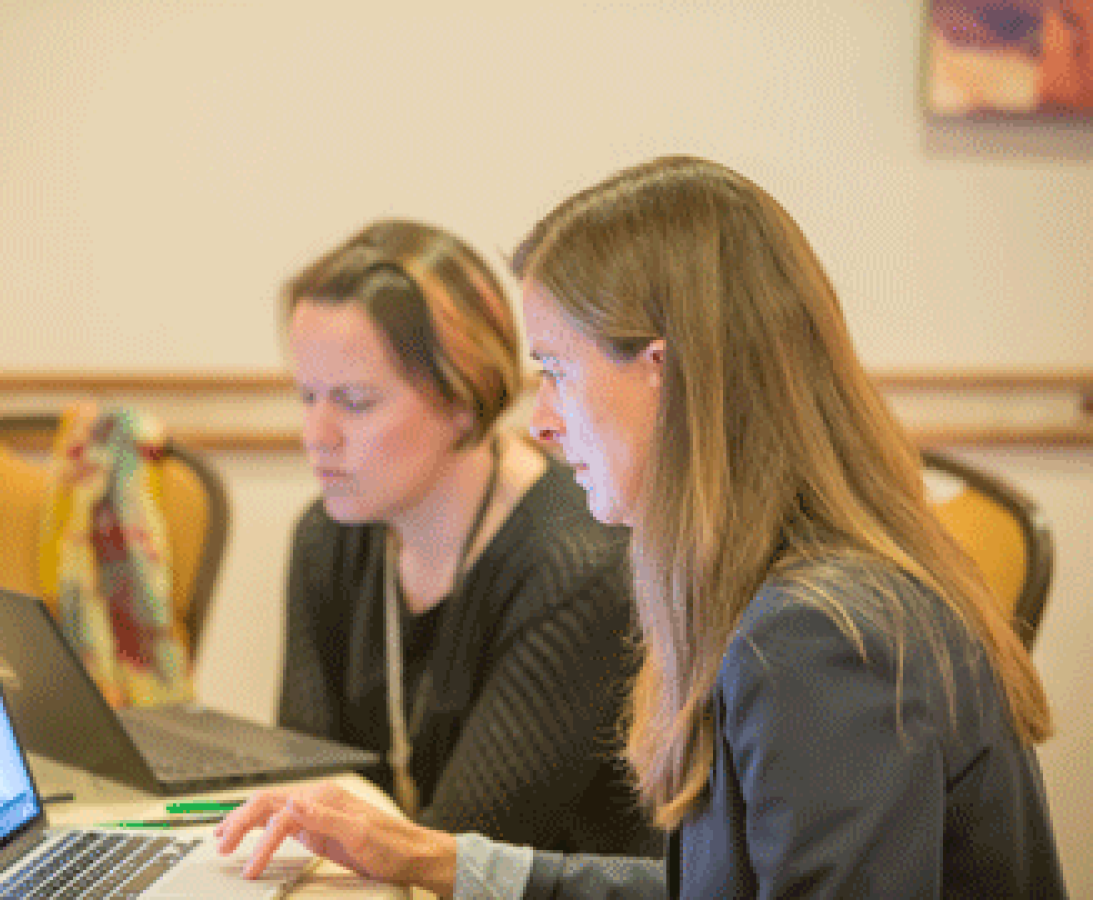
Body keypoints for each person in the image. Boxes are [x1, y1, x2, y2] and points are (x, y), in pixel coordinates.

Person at [216, 157, 1068, 898]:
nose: (541, 420)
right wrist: (437, 860)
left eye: (556, 370)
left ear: (661, 373)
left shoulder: (817, 634)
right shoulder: (774, 590)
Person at [273, 218, 660, 856]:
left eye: (355, 401)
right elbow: (305, 793)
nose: (317, 435)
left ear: (466, 397)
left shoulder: (576, 565)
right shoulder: (325, 538)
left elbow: (467, 856)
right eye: (306, 396)